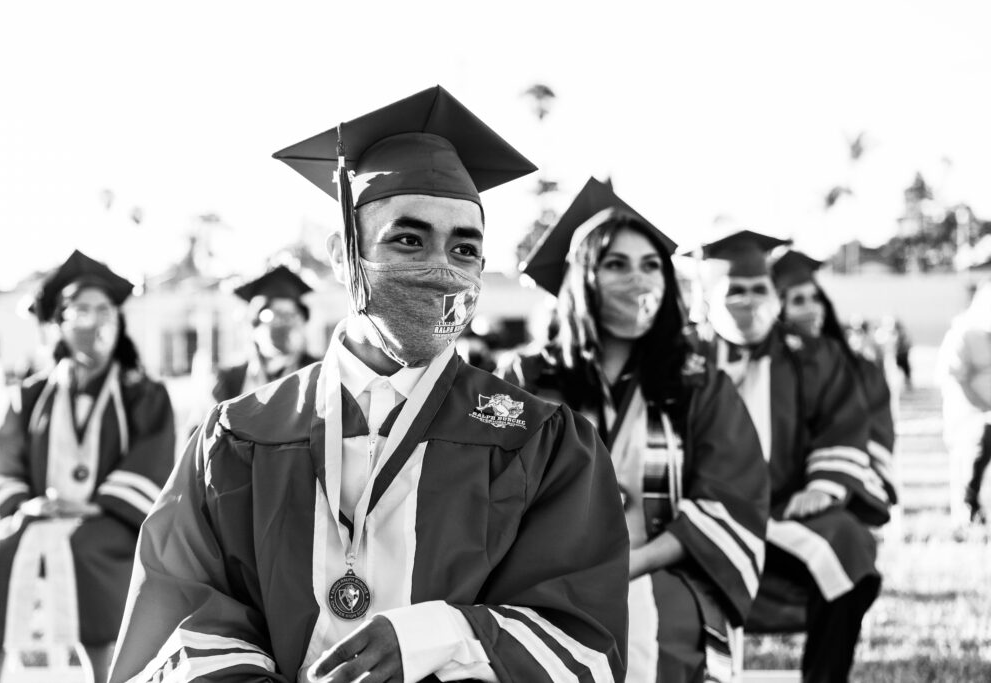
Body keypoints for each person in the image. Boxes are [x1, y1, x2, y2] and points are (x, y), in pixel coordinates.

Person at [109, 86, 629, 683]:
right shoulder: (241, 437)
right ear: (342, 255)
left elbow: (580, 642)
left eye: (464, 248)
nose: (440, 269)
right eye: (407, 239)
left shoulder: (537, 441)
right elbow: (184, 616)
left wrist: (443, 636)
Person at [498, 178, 770, 682]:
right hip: (546, 573)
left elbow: (730, 498)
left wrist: (626, 567)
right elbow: (491, 499)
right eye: (616, 265)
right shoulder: (528, 381)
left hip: (661, 568)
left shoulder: (697, 383)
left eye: (650, 265)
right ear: (582, 279)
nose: (638, 280)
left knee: (652, 617)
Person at [0, 250, 176, 683]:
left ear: (118, 322)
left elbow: (152, 459)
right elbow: (4, 461)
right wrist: (25, 506)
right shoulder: (30, 395)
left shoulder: (144, 393)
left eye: (104, 310)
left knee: (88, 551)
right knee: (6, 547)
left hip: (111, 518)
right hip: (39, 513)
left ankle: (106, 676)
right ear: (60, 322)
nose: (93, 321)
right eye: (81, 310)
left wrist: (94, 506)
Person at [693, 231, 887, 683]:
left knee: (850, 546)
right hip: (696, 513)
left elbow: (842, 420)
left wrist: (823, 485)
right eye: (734, 290)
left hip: (776, 513)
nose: (748, 301)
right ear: (709, 297)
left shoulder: (809, 358)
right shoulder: (688, 357)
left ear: (776, 298)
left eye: (759, 289)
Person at [771, 249, 897, 509]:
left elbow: (875, 423)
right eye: (798, 300)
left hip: (848, 477)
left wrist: (836, 480)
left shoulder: (857, 365)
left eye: (815, 298)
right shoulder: (772, 365)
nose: (811, 308)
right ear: (779, 309)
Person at [213, 265, 318, 402]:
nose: (284, 323)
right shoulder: (228, 381)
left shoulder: (320, 375)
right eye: (276, 315)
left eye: (291, 315)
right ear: (254, 324)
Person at [936, 279, 991, 524]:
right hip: (969, 416)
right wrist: (984, 408)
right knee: (970, 461)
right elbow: (956, 379)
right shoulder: (962, 334)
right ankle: (966, 512)